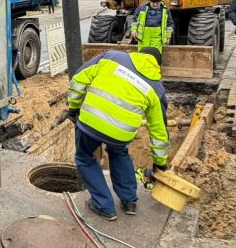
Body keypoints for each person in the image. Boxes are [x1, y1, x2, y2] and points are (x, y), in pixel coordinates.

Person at [67, 46, 170, 221]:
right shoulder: (156, 89)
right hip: (121, 134)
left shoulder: (111, 57)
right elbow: (159, 132)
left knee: (84, 157)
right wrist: (160, 164)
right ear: (158, 67)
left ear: (137, 54)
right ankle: (129, 202)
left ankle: (104, 206)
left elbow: (78, 79)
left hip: (91, 122)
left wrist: (73, 108)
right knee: (118, 151)